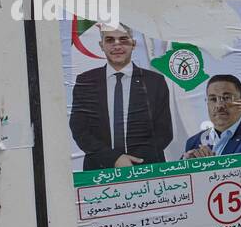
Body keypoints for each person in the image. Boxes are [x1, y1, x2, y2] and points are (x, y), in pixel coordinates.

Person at [69, 25, 173, 170]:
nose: (117, 45)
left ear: (134, 44)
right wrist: (114, 159)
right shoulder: (86, 82)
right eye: (110, 40)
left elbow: (164, 132)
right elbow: (80, 130)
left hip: (147, 168)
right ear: (101, 45)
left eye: (123, 39)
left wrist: (131, 162)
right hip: (100, 169)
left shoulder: (155, 81)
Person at [183, 74, 241, 158]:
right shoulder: (193, 142)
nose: (219, 105)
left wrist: (211, 167)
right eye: (213, 99)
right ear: (207, 103)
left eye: (227, 98)